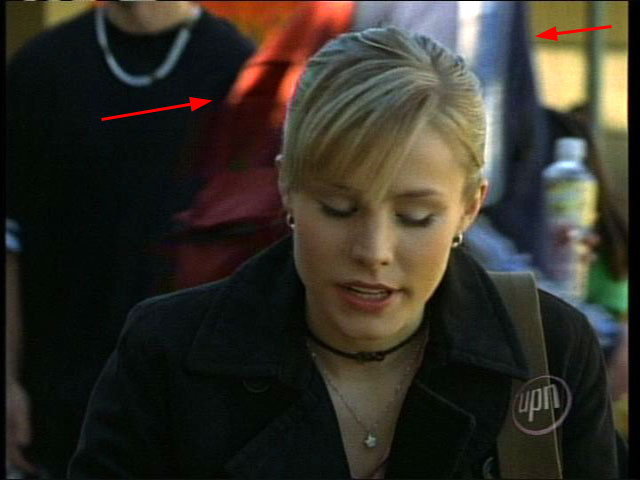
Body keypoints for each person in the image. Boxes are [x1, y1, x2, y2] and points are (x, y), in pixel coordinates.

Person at [69, 27, 617, 478]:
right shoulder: (166, 357)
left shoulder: (549, 352)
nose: (373, 251)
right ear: (286, 188)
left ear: (469, 208)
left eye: (415, 217)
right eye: (339, 208)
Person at [6, 2, 254, 477]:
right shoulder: (41, 67)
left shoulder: (236, 69)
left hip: (182, 406)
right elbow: (9, 237)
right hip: (54, 408)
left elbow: (251, 253)